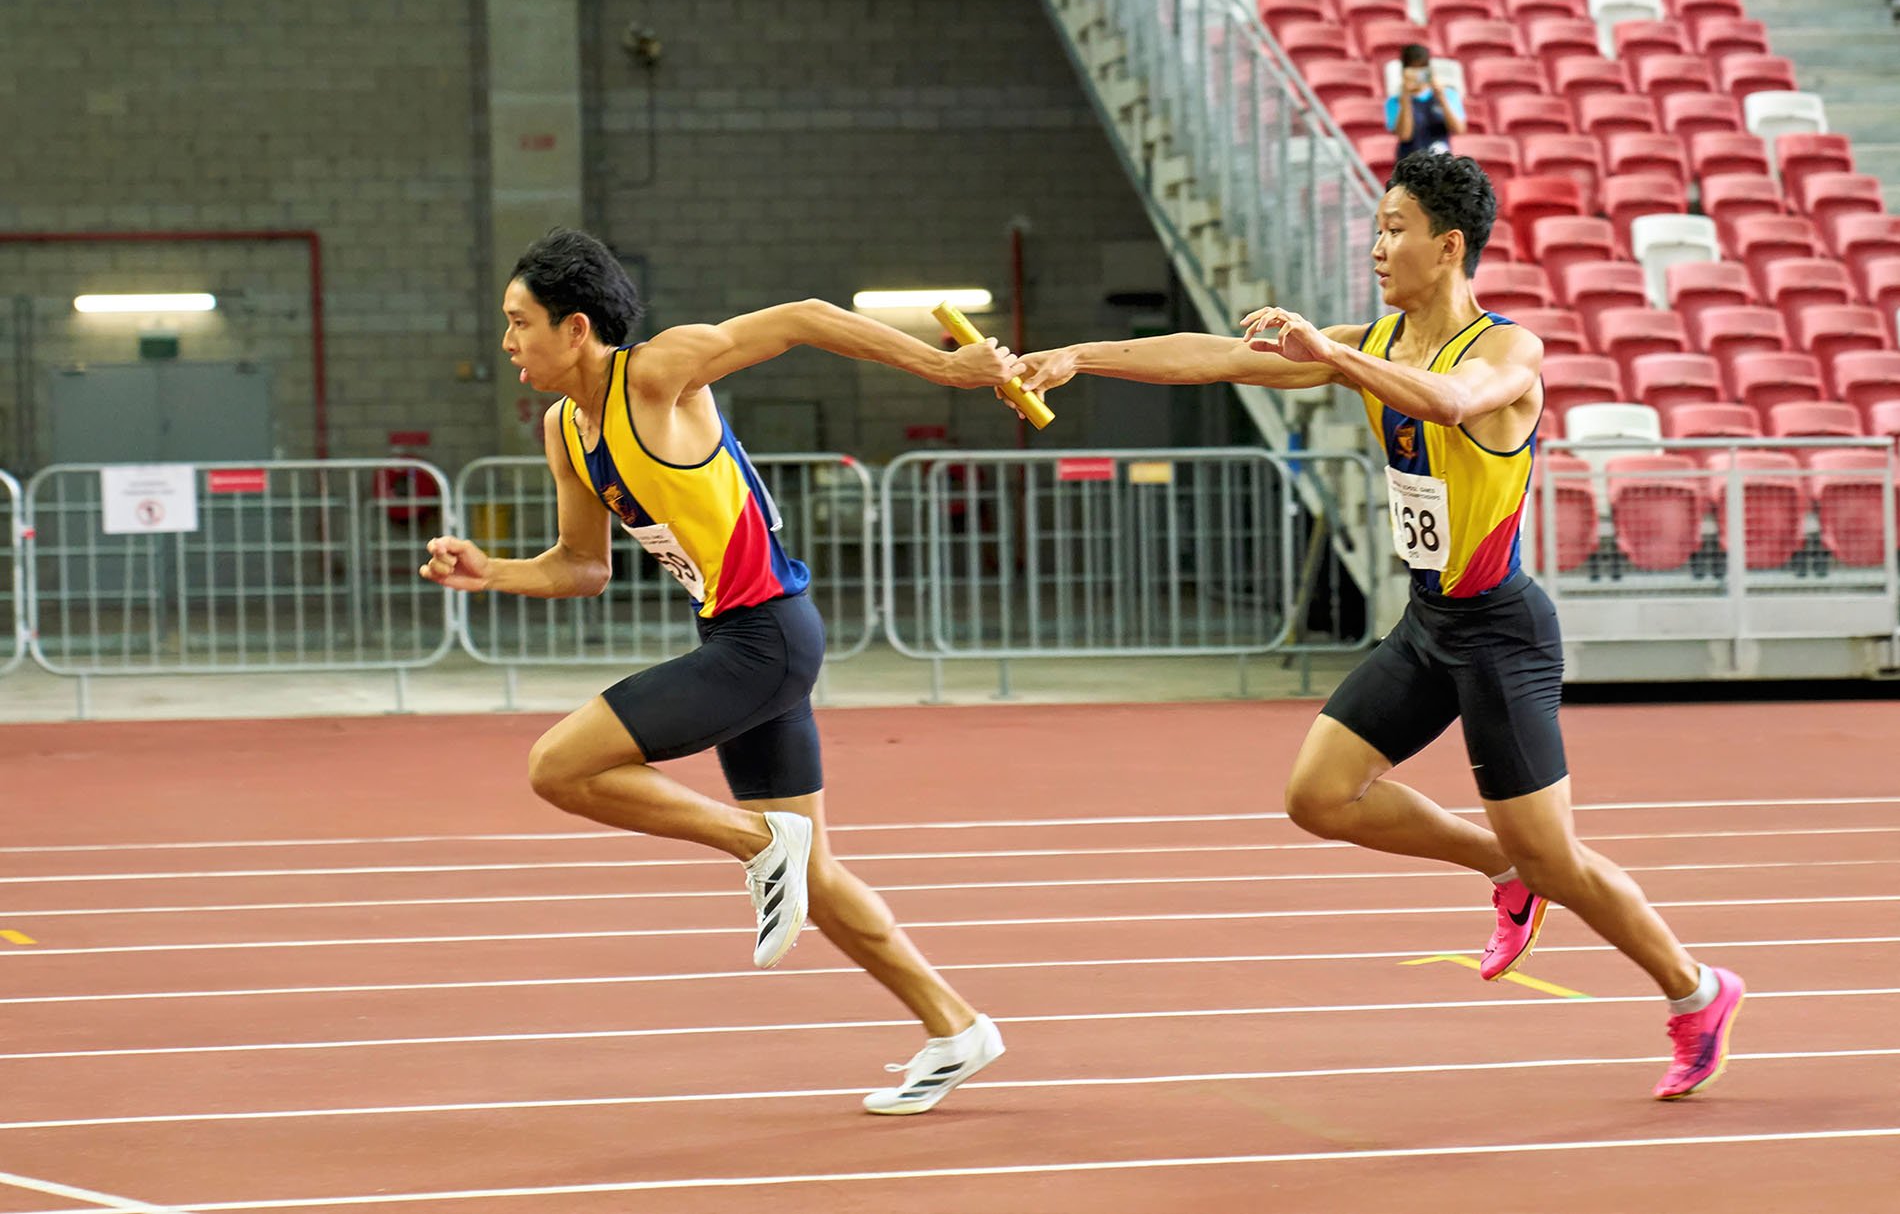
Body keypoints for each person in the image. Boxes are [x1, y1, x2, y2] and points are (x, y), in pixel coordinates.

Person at [1011, 152, 1744, 1101]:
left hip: (1501, 634)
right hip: (1430, 624)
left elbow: (1450, 401)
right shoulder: (1375, 343)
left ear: (1448, 247)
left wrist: (1332, 354)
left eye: (1395, 229)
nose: (1377, 246)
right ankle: (1504, 867)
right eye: (1375, 229)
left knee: (1558, 854)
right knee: (1319, 797)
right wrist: (1080, 355)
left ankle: (1696, 991)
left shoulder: (1508, 354)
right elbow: (1211, 354)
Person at [419, 228, 1013, 1114]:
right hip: (736, 642)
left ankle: (757, 845)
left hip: (765, 640)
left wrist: (945, 369)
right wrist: (491, 571)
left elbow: (807, 318)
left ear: (576, 328)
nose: (506, 341)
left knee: (560, 767)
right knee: (815, 878)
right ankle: (956, 1026)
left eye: (518, 322)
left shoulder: (657, 373)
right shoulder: (565, 430)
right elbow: (584, 567)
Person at [1387, 43, 1466, 160]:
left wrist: (1441, 97)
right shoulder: (1394, 101)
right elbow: (1405, 135)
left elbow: (1458, 129)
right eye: (1413, 72)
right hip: (1410, 165)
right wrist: (1405, 99)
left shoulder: (1448, 94)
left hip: (1441, 163)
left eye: (1422, 71)